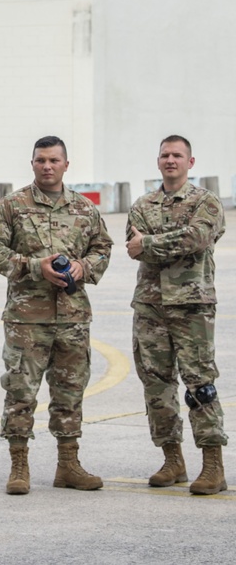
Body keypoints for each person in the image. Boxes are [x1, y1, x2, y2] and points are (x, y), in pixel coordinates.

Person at [0, 135, 112, 495]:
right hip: (27, 320)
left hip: (72, 318)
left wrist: (84, 267)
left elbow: (103, 247)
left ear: (66, 165)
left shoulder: (85, 209)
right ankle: (18, 464)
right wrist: (35, 267)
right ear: (33, 163)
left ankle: (68, 465)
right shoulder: (12, 206)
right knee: (20, 391)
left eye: (54, 160)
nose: (47, 166)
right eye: (41, 160)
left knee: (70, 392)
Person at [126, 135, 227, 495]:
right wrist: (158, 244)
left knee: (200, 383)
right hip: (150, 307)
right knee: (157, 386)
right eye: (165, 155)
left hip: (192, 307)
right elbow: (133, 248)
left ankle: (213, 465)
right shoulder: (142, 205)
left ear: (190, 161)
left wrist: (151, 243)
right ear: (158, 162)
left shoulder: (207, 202)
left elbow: (196, 238)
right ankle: (173, 459)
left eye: (177, 155)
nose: (171, 160)